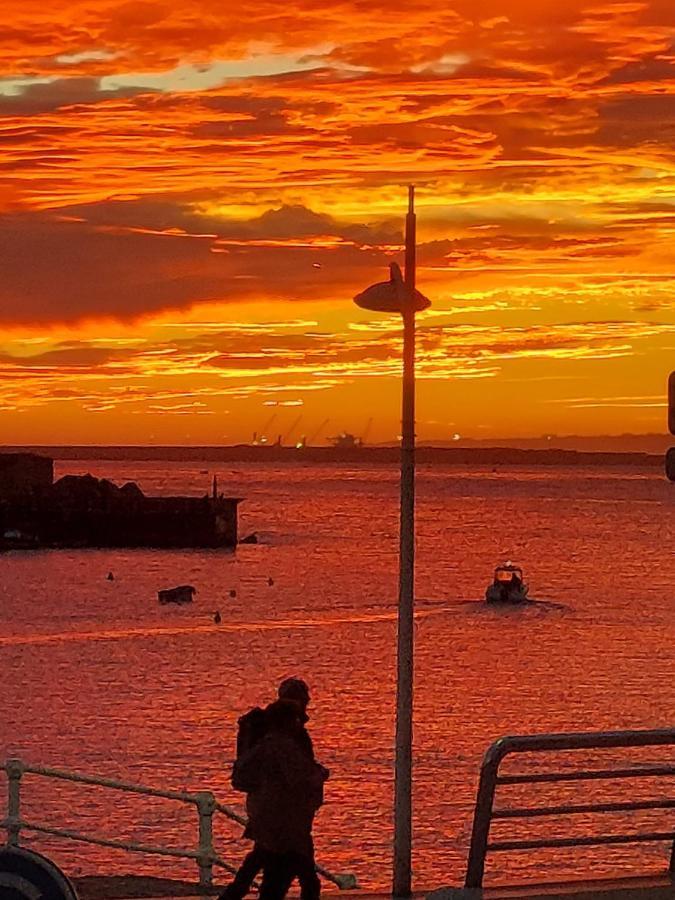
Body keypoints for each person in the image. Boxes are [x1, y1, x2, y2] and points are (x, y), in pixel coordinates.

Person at [218, 679, 327, 900]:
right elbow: (299, 776)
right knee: (298, 879)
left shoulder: (265, 739)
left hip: (268, 814)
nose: (308, 700)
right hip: (286, 820)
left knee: (263, 865)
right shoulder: (285, 743)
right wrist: (319, 774)